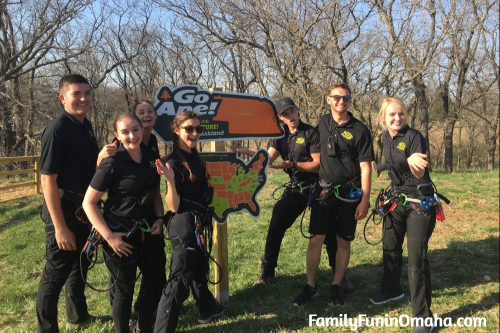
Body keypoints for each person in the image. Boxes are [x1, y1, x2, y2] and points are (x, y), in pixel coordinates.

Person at [230, 97, 342, 287]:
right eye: (285, 114)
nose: (290, 116)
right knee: (276, 226)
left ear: (298, 110)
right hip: (296, 188)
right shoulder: (280, 135)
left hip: (318, 187)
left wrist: (294, 164)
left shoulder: (311, 133)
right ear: (280, 118)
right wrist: (248, 152)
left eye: (292, 111)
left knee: (327, 233)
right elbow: (268, 160)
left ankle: (339, 276)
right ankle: (267, 274)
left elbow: (318, 165)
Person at [36, 74, 113, 332]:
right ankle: (46, 328)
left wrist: (100, 158)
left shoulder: (85, 125)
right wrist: (59, 227)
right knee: (54, 276)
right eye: (76, 94)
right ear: (62, 98)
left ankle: (77, 317)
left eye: (87, 93)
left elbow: (82, 169)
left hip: (84, 211)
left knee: (78, 267)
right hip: (64, 211)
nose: (83, 98)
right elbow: (48, 179)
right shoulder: (58, 129)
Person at [83, 114, 166, 333]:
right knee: (124, 289)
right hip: (119, 234)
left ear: (142, 130)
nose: (132, 136)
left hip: (148, 230)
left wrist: (159, 218)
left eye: (136, 129)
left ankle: (144, 326)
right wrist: (109, 237)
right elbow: (89, 203)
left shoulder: (151, 157)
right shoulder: (111, 163)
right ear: (117, 135)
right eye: (126, 132)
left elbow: (155, 192)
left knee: (156, 281)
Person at [293, 82, 374, 307]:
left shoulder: (361, 130)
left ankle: (337, 284)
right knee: (315, 240)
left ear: (350, 101)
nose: (341, 101)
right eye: (337, 97)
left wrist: (365, 199)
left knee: (343, 242)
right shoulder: (322, 123)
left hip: (349, 195)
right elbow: (295, 131)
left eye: (346, 98)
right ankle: (311, 286)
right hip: (323, 192)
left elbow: (366, 167)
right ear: (328, 99)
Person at [154, 111, 224, 333]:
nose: (194, 133)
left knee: (198, 268)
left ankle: (207, 308)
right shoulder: (172, 162)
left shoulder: (195, 156)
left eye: (198, 129)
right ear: (176, 130)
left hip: (197, 222)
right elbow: (173, 206)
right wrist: (171, 182)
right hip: (183, 224)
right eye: (189, 129)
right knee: (179, 280)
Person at [370, 98, 436, 333]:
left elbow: (419, 171)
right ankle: (391, 290)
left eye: (401, 114)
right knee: (390, 247)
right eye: (392, 115)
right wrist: (380, 167)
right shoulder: (386, 137)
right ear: (383, 118)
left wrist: (411, 162)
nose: (397, 118)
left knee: (416, 260)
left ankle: (423, 318)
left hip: (419, 202)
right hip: (396, 200)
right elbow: (392, 159)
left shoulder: (414, 137)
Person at [107, 100, 167, 330]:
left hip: (148, 220)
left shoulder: (152, 146)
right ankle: (122, 322)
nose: (145, 116)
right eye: (140, 113)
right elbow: (95, 192)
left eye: (149, 111)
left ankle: (144, 317)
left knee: (155, 275)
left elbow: (154, 189)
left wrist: (160, 218)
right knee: (123, 284)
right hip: (120, 225)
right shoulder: (116, 152)